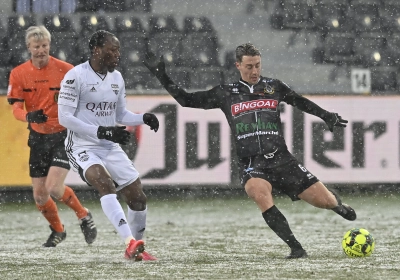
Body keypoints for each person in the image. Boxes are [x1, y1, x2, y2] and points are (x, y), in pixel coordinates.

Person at [143, 43, 357, 259]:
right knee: (260, 194)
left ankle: (337, 205)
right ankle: (296, 248)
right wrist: (162, 76)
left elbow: (300, 102)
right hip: (252, 163)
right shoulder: (226, 93)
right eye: (249, 67)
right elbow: (186, 100)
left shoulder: (275, 87)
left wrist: (326, 115)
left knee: (326, 201)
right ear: (238, 65)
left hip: (283, 159)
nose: (254, 71)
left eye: (257, 65)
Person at [57, 30, 159, 261]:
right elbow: (64, 117)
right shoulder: (75, 76)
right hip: (82, 145)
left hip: (108, 144)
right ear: (97, 50)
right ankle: (130, 242)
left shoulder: (117, 78)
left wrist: (143, 118)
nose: (118, 55)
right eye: (113, 50)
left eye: (119, 50)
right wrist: (100, 131)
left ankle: (134, 249)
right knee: (105, 183)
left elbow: (121, 114)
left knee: (138, 197)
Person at [7, 25, 97, 247]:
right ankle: (58, 230)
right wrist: (29, 116)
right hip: (38, 137)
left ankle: (83, 215)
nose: (41, 50)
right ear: (28, 47)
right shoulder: (19, 73)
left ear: (50, 45)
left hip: (63, 135)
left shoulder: (66, 70)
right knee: (39, 196)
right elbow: (16, 109)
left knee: (54, 187)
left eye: (44, 45)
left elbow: (84, 98)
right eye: (36, 46)